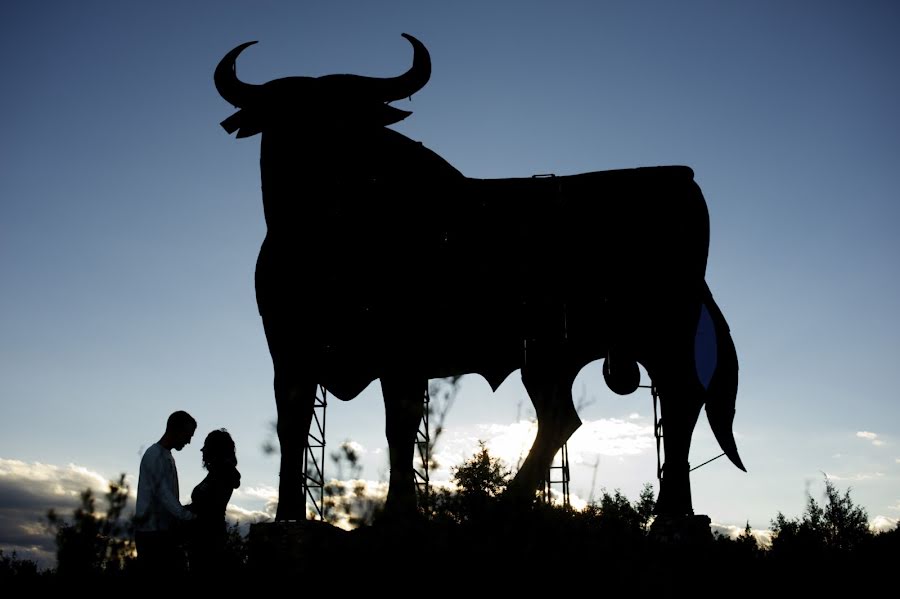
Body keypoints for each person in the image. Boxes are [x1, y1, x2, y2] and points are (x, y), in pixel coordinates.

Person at [134, 410, 197, 575]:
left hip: (162, 533)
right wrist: (188, 516)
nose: (189, 441)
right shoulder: (153, 455)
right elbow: (163, 493)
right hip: (151, 534)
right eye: (188, 434)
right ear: (176, 430)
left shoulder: (167, 456)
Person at [186, 429, 241, 574]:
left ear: (215, 449)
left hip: (209, 540)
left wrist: (184, 511)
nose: (202, 451)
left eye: (206, 446)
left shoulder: (223, 473)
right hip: (204, 538)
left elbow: (208, 506)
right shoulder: (217, 473)